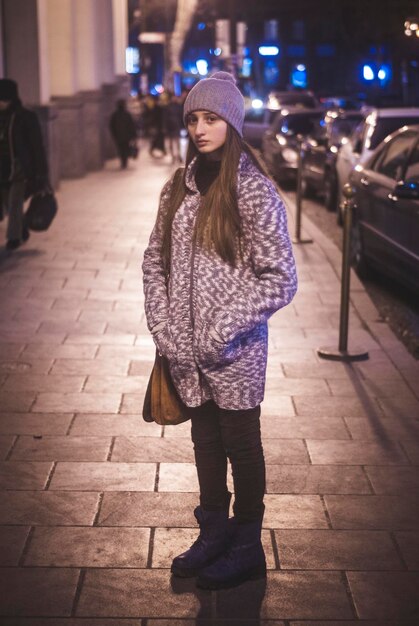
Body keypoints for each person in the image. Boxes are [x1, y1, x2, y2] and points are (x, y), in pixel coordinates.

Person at [142, 72, 297, 590]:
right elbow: (153, 261)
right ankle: (213, 530)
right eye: (193, 119)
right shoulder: (178, 186)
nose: (201, 128)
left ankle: (248, 542)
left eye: (211, 118)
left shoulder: (253, 191)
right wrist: (165, 327)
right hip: (184, 352)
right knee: (204, 441)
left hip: (234, 353)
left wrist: (222, 328)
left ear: (232, 121)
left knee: (241, 443)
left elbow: (281, 278)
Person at [0, 78, 49, 250]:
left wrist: (41, 174)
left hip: (19, 169)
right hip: (2, 169)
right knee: (6, 203)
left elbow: (37, 147)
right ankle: (20, 228)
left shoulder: (25, 117)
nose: (1, 103)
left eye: (3, 99)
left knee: (14, 203)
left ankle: (13, 238)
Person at [109, 99, 137, 169]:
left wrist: (114, 134)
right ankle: (124, 162)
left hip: (119, 136)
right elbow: (131, 125)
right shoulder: (126, 114)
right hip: (125, 136)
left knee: (121, 149)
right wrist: (133, 135)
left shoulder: (115, 115)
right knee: (124, 149)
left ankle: (123, 162)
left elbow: (112, 126)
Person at [163, 92, 183, 164]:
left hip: (176, 126)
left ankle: (178, 155)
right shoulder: (168, 107)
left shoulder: (178, 106)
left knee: (177, 142)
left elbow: (181, 116)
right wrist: (165, 127)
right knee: (171, 143)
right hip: (170, 127)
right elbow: (165, 118)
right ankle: (173, 156)